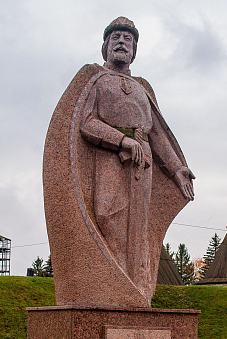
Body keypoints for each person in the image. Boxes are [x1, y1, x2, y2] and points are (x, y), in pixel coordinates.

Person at [79, 17, 195, 285]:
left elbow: (156, 134)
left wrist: (176, 168)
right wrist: (121, 140)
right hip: (110, 157)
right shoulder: (98, 80)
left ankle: (133, 289)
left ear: (134, 51)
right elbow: (87, 123)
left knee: (138, 229)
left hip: (143, 163)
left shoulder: (142, 89)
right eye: (116, 37)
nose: (122, 42)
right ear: (106, 46)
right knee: (109, 217)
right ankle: (112, 286)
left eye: (128, 39)